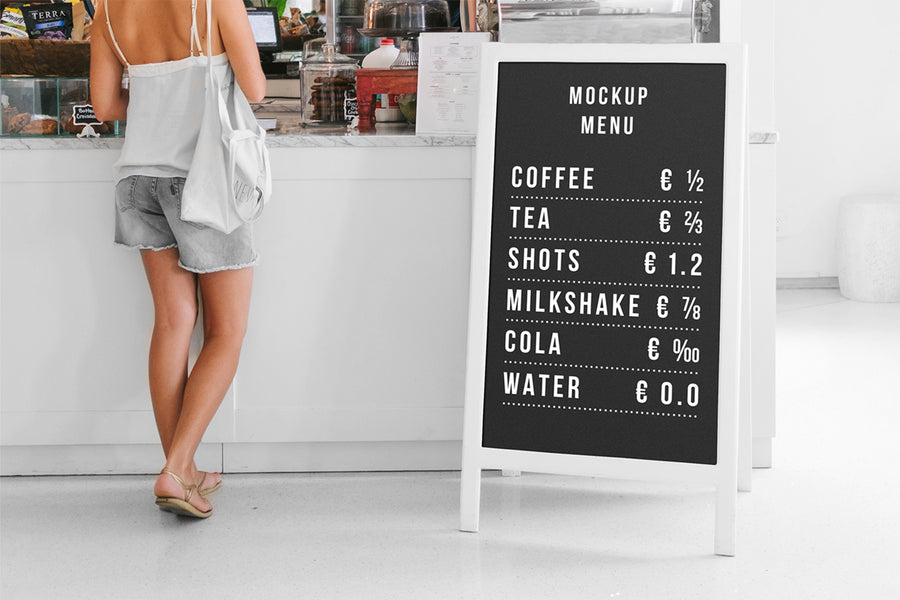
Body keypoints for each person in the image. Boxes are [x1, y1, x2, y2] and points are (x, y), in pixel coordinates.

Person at [90, 0, 266, 518]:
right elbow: (255, 90)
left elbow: (105, 106)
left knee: (172, 323)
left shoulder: (108, 10)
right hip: (203, 180)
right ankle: (176, 467)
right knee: (226, 332)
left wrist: (155, 102)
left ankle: (182, 471)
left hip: (137, 180)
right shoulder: (215, 3)